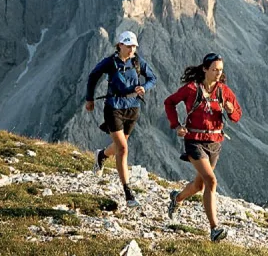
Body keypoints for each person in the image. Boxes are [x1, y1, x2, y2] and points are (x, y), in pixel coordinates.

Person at [164, 52, 242, 242]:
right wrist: (176, 125)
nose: (218, 73)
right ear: (205, 69)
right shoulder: (191, 89)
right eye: (214, 69)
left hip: (215, 143)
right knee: (211, 181)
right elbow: (169, 102)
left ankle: (177, 198)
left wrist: (231, 112)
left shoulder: (223, 91)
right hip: (194, 140)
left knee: (200, 185)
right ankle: (214, 229)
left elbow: (237, 115)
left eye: (221, 70)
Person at [85, 30, 157, 208]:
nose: (132, 49)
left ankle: (101, 155)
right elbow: (93, 76)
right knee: (123, 149)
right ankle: (128, 193)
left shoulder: (137, 61)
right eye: (128, 46)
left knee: (119, 146)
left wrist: (144, 87)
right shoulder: (110, 62)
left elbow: (152, 78)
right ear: (120, 45)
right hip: (114, 107)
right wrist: (89, 98)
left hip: (133, 109)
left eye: (134, 46)